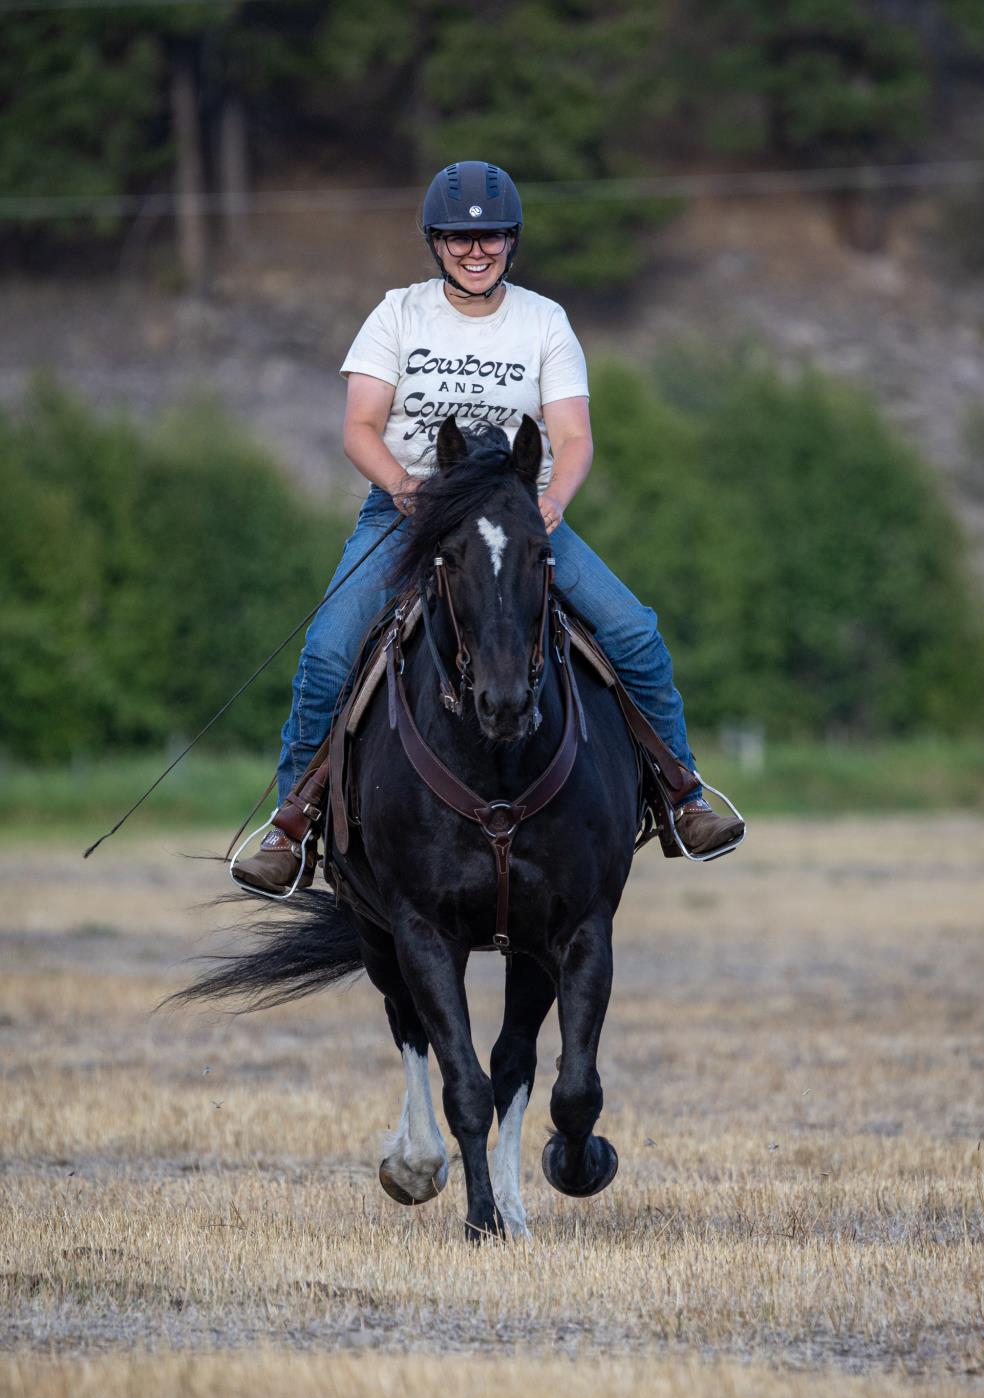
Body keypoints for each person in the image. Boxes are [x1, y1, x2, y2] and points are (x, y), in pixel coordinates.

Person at [233, 160, 744, 893]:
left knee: (633, 632)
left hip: (516, 513)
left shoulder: (544, 321)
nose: (476, 251)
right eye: (458, 239)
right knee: (329, 649)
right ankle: (293, 827)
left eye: (492, 238)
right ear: (435, 243)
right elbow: (360, 428)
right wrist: (405, 488)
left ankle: (682, 798)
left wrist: (553, 499)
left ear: (512, 241)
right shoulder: (396, 315)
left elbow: (573, 436)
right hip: (411, 509)